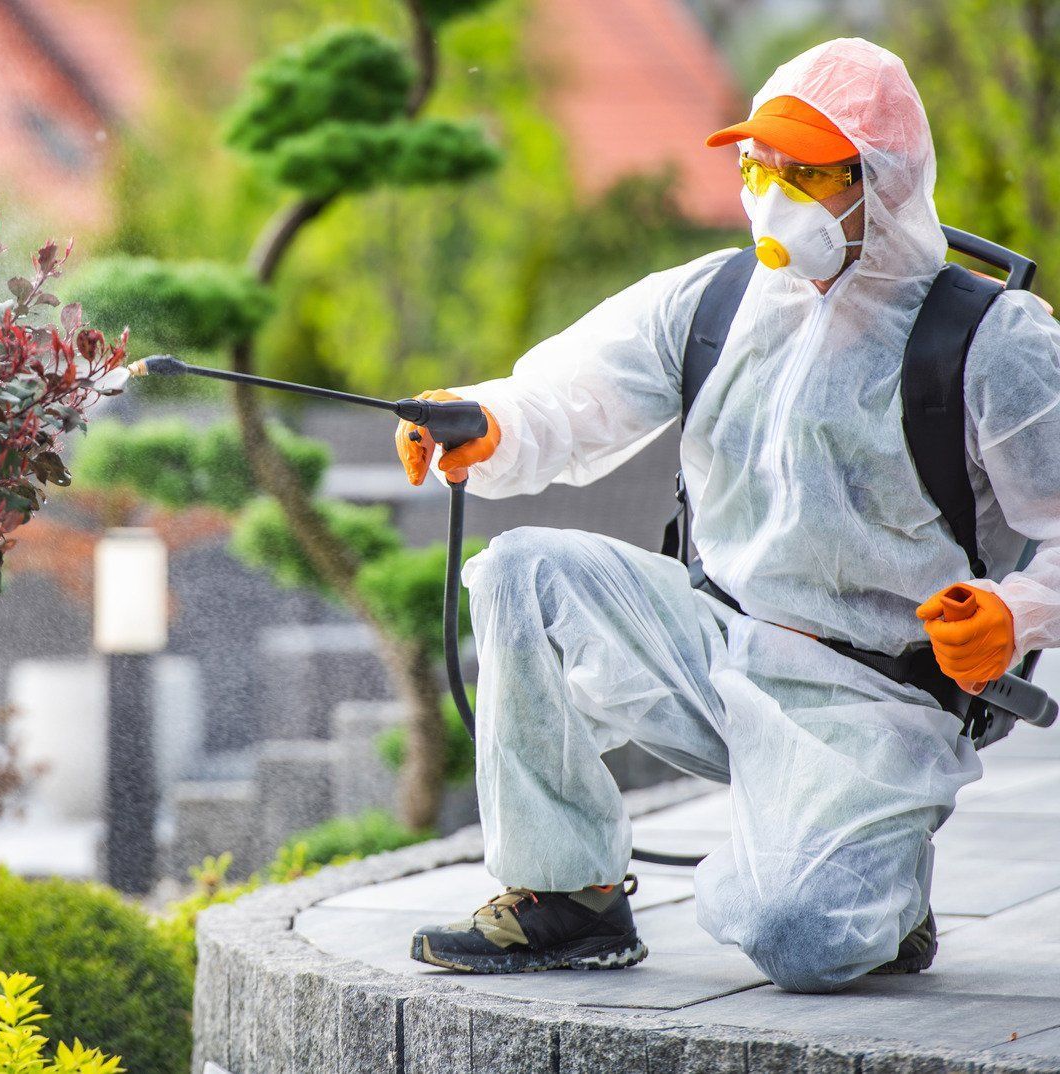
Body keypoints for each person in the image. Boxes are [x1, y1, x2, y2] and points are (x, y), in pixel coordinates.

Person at [396, 38, 1060, 992]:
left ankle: (879, 893)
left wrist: (1016, 618)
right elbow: (572, 394)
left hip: (872, 697)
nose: (772, 191)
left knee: (796, 938)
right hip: (712, 644)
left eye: (809, 171)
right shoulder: (718, 296)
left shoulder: (990, 341)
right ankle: (568, 899)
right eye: (759, 164)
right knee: (520, 571)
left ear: (883, 182)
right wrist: (484, 421)